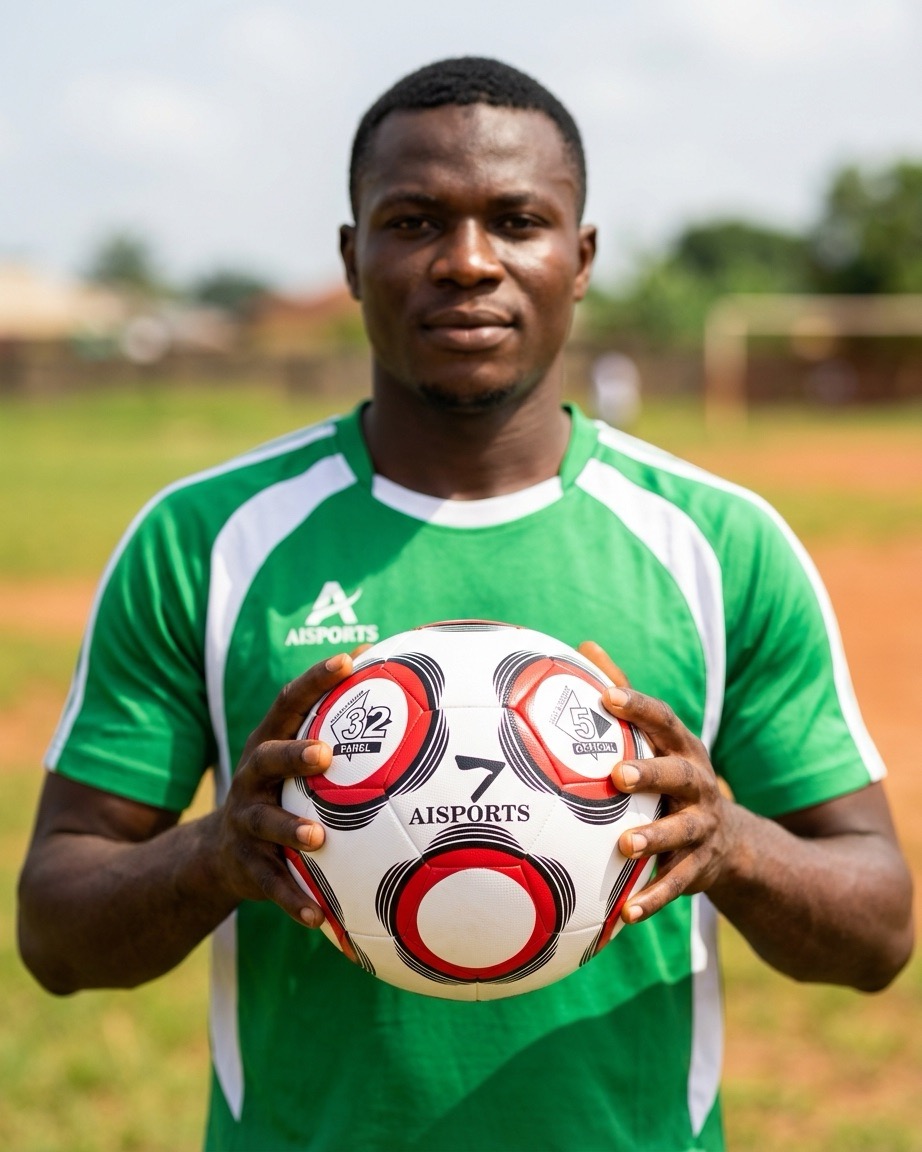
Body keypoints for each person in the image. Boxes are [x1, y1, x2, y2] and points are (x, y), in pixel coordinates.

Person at [17, 57, 913, 1152]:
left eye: (518, 219)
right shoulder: (206, 543)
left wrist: (728, 844)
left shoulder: (716, 546)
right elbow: (55, 934)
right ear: (351, 259)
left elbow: (879, 929)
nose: (468, 262)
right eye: (413, 221)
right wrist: (215, 856)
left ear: (579, 260)